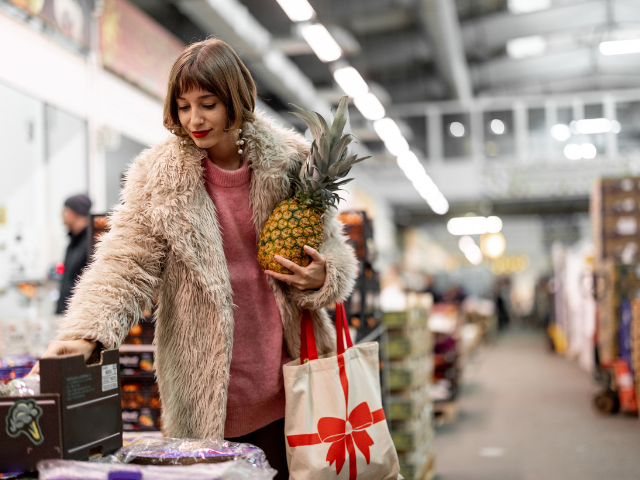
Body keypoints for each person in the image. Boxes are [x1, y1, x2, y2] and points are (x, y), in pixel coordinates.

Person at [32, 38, 357, 478]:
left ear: (236, 101)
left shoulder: (293, 164)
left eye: (208, 103)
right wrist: (89, 332)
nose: (195, 119)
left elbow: (333, 248)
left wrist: (324, 274)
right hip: (207, 396)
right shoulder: (160, 178)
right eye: (183, 106)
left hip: (294, 384)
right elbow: (125, 263)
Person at [55, 194, 91, 315]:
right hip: (66, 314)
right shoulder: (72, 243)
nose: (61, 215)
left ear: (75, 213)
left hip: (81, 315)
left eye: (65, 211)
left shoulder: (90, 243)